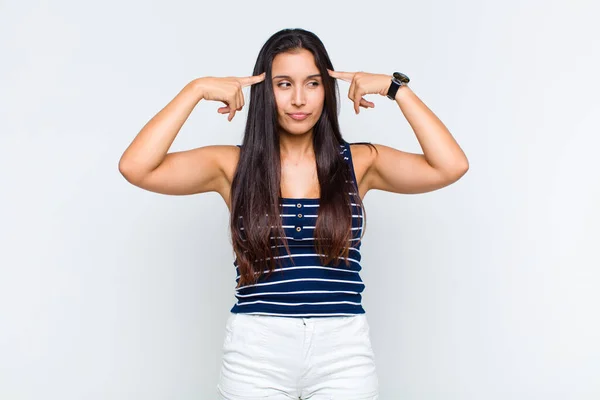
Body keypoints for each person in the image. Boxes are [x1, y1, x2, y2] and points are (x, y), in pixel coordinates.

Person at [119, 28, 468, 400]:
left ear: (326, 91)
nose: (298, 99)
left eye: (312, 83)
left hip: (342, 350)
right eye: (284, 84)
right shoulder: (232, 165)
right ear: (264, 91)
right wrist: (196, 89)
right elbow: (136, 167)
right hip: (257, 351)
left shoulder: (360, 162)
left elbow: (450, 166)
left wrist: (397, 90)